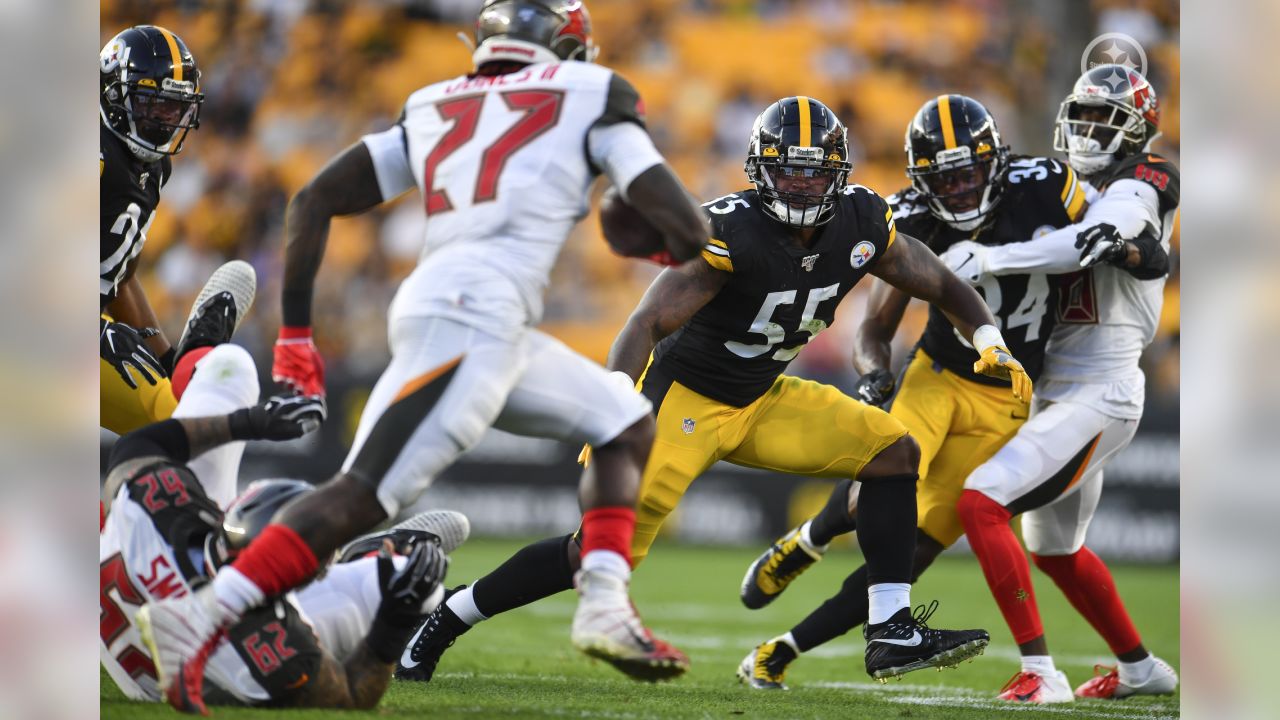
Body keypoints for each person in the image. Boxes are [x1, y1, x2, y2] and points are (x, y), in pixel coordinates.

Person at [139, 1, 707, 711]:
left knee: (624, 418)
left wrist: (295, 339)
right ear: (566, 47)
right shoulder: (595, 91)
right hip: (474, 316)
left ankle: (603, 601)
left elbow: (315, 198)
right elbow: (686, 230)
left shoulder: (434, 101)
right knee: (362, 497)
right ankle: (197, 617)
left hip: (465, 308)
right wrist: (657, 239)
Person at [397, 95, 1035, 686]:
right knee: (595, 549)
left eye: (815, 172)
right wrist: (614, 407)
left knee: (894, 451)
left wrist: (989, 342)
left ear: (837, 171)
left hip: (762, 396)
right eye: (789, 172)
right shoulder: (731, 231)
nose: (803, 184)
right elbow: (646, 321)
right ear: (762, 171)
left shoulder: (863, 219)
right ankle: (446, 619)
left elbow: (943, 285)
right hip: (685, 403)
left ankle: (890, 628)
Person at [734, 95, 1089, 690]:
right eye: (942, 179)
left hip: (1010, 395)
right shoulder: (908, 219)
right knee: (884, 478)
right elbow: (874, 329)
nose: (957, 190)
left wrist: (1137, 245)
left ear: (996, 161)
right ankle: (808, 540)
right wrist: (875, 374)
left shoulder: (1048, 185)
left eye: (969, 173)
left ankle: (783, 649)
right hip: (937, 376)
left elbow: (1114, 228)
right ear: (921, 178)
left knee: (912, 553)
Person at [925, 65, 1179, 703]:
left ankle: (1041, 673)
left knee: (982, 501)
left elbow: (1105, 231)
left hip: (1103, 386)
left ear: (1136, 128)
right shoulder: (1051, 185)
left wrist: (989, 259)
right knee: (1056, 547)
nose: (1089, 129)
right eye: (1084, 116)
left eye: (1105, 119)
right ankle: (1141, 669)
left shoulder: (1143, 178)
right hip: (1054, 387)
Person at [101, 352, 454, 709]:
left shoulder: (154, 505)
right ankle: (359, 559)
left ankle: (192, 353)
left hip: (132, 629)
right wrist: (393, 624)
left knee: (229, 364)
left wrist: (251, 422)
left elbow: (137, 446)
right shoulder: (264, 645)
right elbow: (351, 693)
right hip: (207, 650)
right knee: (412, 583)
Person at [100, 24, 230, 435]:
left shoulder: (152, 170)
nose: (163, 119)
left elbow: (118, 277)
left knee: (182, 422)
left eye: (172, 108)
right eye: (151, 105)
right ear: (114, 95)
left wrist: (166, 356)